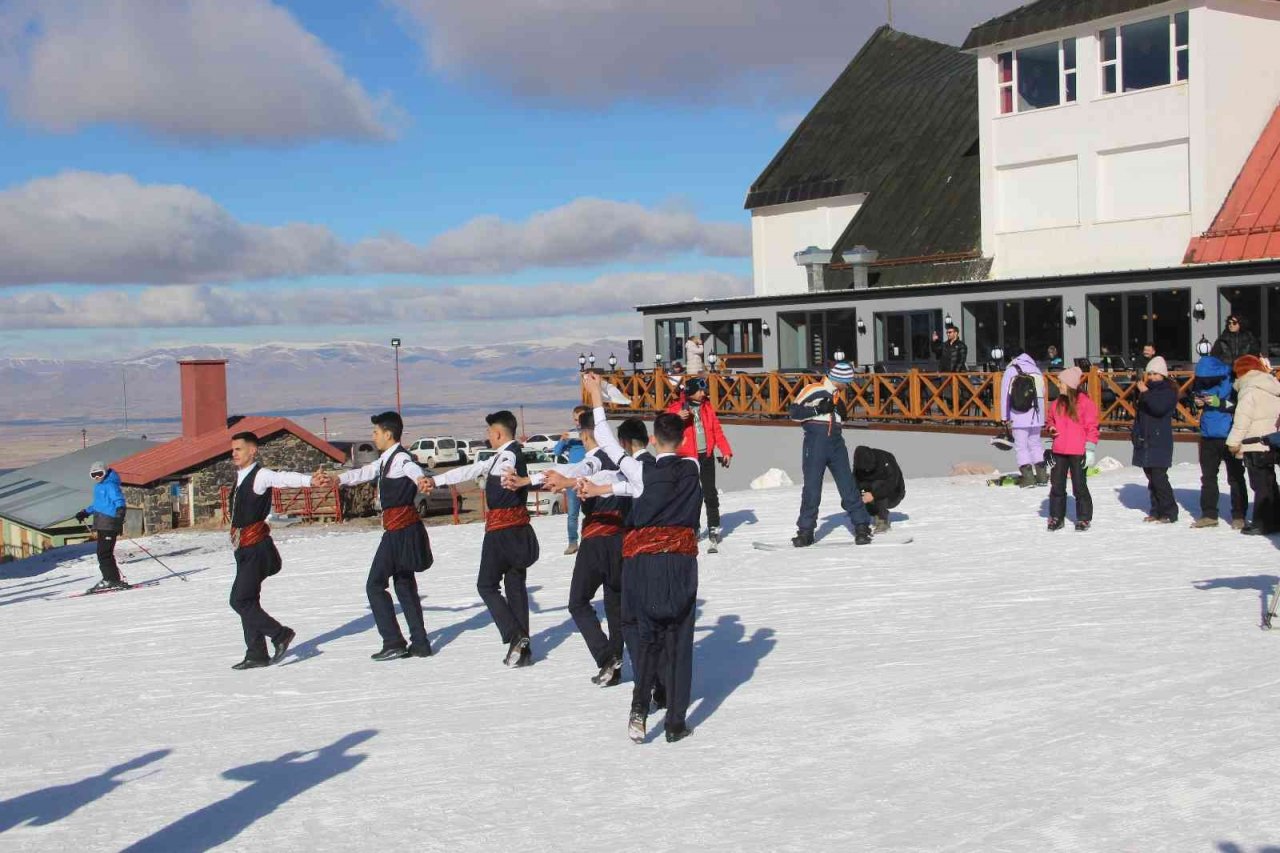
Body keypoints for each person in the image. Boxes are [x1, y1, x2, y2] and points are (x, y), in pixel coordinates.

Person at [579, 373, 700, 744]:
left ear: (651, 441)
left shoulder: (640, 469)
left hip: (645, 564)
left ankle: (638, 707)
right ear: (680, 441)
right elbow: (638, 488)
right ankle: (676, 722)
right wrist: (607, 487)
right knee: (679, 641)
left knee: (646, 637)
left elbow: (605, 440)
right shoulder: (692, 468)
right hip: (680, 565)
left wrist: (596, 394)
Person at [505, 408, 627, 686]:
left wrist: (530, 480)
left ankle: (607, 656)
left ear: (585, 436)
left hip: (597, 542)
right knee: (615, 604)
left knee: (578, 601)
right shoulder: (624, 460)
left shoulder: (593, 460)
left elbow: (576, 471)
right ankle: (615, 665)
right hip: (622, 542)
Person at [424, 410, 540, 666]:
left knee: (486, 585)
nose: (488, 437)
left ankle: (515, 635)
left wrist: (509, 479)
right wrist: (437, 480)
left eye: (489, 432)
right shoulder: (504, 455)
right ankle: (524, 651)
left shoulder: (507, 456)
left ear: (498, 433)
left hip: (502, 531)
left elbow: (497, 471)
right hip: (518, 531)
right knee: (515, 587)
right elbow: (472, 469)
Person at [325, 412, 434, 661]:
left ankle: (393, 641)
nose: (373, 437)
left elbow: (412, 469)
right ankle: (420, 643)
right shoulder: (385, 461)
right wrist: (337, 479)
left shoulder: (401, 459)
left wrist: (420, 479)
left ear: (388, 434)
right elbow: (362, 473)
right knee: (404, 585)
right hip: (400, 530)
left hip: (399, 531)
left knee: (374, 584)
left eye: (375, 432)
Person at [222, 432, 322, 670]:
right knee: (249, 600)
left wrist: (310, 481)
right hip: (243, 548)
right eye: (233, 449)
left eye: (239, 449)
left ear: (252, 450)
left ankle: (279, 634)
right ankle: (256, 653)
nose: (234, 453)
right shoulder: (240, 477)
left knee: (239, 599)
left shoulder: (260, 475)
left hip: (256, 548)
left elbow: (284, 478)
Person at [787, 361, 874, 546]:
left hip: (836, 442)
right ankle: (806, 531)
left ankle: (861, 526)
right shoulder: (813, 389)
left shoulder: (838, 396)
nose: (848, 385)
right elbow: (793, 412)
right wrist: (818, 409)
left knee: (847, 485)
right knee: (812, 488)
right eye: (847, 382)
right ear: (839, 379)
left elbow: (840, 417)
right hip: (815, 442)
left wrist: (841, 412)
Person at [664, 376, 732, 546]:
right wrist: (676, 417)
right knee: (691, 494)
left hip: (706, 455)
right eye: (700, 390)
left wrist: (725, 450)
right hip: (687, 458)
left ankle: (714, 526)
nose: (703, 393)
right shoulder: (677, 408)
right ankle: (692, 527)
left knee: (710, 492)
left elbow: (717, 430)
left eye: (704, 390)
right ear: (691, 392)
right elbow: (664, 425)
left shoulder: (707, 407)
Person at [1189, 354, 1248, 529]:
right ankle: (1208, 514)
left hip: (1229, 434)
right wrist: (1196, 403)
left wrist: (1219, 402)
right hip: (1208, 435)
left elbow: (1239, 405)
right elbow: (1191, 398)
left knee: (1235, 477)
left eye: (1208, 379)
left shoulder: (1232, 380)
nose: (1205, 382)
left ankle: (1239, 515)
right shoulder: (1199, 382)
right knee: (1208, 477)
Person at [1226, 354, 1280, 536]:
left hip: (1254, 443)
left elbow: (1242, 420)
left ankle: (1261, 523)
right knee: (1271, 483)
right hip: (1271, 442)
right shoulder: (1272, 386)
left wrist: (1233, 443)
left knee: (1260, 485)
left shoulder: (1249, 390)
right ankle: (1275, 520)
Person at [1044, 367, 1098, 532]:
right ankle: (1056, 517)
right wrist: (1051, 430)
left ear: (1069, 384)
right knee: (1057, 486)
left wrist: (1089, 450)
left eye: (1061, 382)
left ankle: (1084, 518)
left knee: (1079, 486)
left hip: (1078, 451)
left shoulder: (1086, 403)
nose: (1059, 385)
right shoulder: (1056, 404)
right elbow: (1049, 421)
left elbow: (1092, 427)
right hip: (1059, 450)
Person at [1132, 357, 1179, 523]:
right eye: (1149, 373)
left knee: (1159, 478)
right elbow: (1139, 412)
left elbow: (1158, 408)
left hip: (1160, 440)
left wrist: (1145, 392)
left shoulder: (1168, 391)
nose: (1151, 377)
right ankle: (1156, 510)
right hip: (1146, 439)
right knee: (1151, 477)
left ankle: (1169, 511)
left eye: (1155, 374)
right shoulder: (1147, 390)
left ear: (1163, 375)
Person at [74, 461, 128, 593]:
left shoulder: (110, 485)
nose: (97, 477)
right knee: (104, 553)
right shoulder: (99, 487)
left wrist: (120, 513)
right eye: (94, 475)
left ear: (105, 472)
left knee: (104, 553)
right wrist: (85, 512)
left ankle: (111, 579)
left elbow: (119, 501)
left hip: (110, 523)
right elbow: (98, 505)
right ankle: (111, 578)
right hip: (102, 523)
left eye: (99, 474)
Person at [1000, 351, 1048, 487]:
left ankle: (1028, 478)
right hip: (1037, 415)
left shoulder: (1011, 370)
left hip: (1019, 414)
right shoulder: (1037, 370)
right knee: (1036, 444)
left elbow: (1005, 395)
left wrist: (1005, 416)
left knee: (1021, 446)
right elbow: (1042, 392)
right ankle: (1042, 476)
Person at [552, 406, 590, 555]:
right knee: (573, 513)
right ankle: (573, 542)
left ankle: (589, 539)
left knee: (591, 512)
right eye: (575, 419)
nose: (577, 422)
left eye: (580, 419)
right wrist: (562, 440)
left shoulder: (593, 435)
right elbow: (556, 452)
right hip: (571, 480)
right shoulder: (571, 436)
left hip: (589, 479)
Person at [851, 446, 904, 533]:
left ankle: (882, 520)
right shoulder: (859, 466)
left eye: (868, 468)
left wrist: (873, 495)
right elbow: (855, 483)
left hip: (894, 494)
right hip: (872, 492)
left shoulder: (886, 459)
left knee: (878, 485)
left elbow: (892, 484)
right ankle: (871, 513)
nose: (867, 471)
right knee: (860, 489)